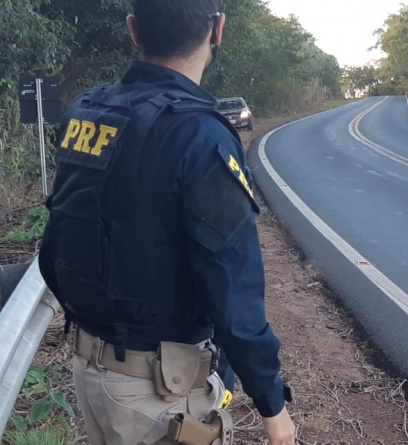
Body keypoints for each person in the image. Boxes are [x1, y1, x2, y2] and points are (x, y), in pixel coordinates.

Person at [37, 1, 296, 444]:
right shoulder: (198, 134)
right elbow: (233, 289)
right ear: (218, 30)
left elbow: (58, 239)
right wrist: (273, 405)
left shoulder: (87, 109)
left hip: (92, 369)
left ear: (134, 31)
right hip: (158, 394)